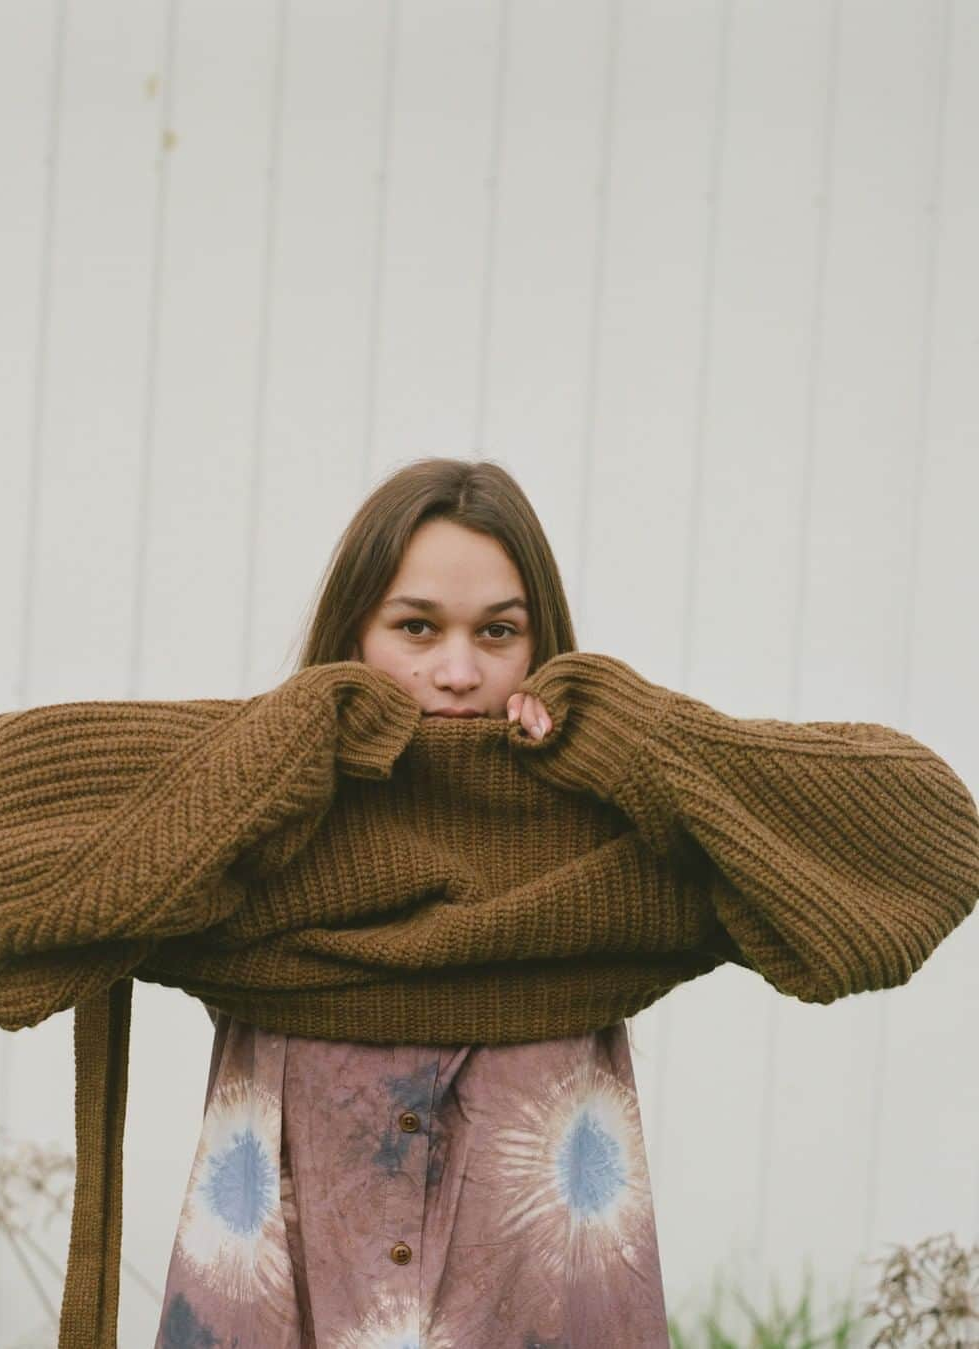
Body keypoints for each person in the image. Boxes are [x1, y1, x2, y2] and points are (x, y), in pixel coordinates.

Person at [155, 456, 671, 1346]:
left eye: (500, 632)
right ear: (353, 634)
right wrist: (291, 737)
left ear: (542, 648)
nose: (459, 671)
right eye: (418, 627)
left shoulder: (606, 839)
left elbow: (917, 836)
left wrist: (625, 731)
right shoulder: (258, 823)